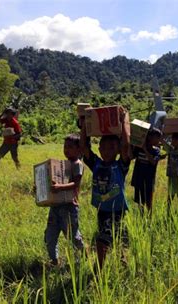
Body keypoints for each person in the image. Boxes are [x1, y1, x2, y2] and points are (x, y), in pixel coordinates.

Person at [79, 107, 131, 269]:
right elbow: (84, 147)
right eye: (105, 148)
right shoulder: (96, 163)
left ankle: (99, 268)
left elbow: (126, 145)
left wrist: (123, 122)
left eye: (112, 148)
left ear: (117, 150)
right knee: (113, 234)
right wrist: (85, 127)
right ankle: (122, 258)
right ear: (99, 149)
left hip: (118, 209)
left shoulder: (121, 165)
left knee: (103, 238)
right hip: (102, 209)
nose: (107, 151)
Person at [44, 134, 85, 266]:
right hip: (55, 206)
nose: (66, 149)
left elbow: (76, 184)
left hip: (69, 207)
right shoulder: (62, 165)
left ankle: (82, 256)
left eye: (70, 147)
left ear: (79, 150)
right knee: (50, 235)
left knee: (73, 236)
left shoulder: (77, 164)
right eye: (65, 146)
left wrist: (59, 187)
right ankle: (54, 261)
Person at [130, 128, 162, 214]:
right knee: (140, 201)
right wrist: (131, 145)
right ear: (149, 138)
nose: (159, 140)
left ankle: (149, 217)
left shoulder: (156, 151)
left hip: (148, 180)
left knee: (148, 200)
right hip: (139, 178)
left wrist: (145, 149)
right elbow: (131, 157)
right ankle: (141, 216)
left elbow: (153, 161)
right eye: (157, 138)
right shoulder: (138, 149)